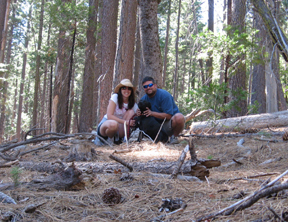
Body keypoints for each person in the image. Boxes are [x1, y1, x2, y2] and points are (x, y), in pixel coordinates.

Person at [137, 76, 185, 142]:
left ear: (155, 85)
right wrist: (139, 113)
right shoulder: (143, 99)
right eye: (145, 86)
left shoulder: (165, 95)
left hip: (168, 124)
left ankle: (174, 137)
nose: (148, 87)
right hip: (155, 125)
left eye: (150, 85)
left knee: (179, 117)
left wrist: (152, 113)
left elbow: (168, 116)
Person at [94, 79, 138, 145]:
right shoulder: (115, 97)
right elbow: (109, 116)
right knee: (113, 124)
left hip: (119, 129)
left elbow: (138, 113)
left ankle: (121, 139)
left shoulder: (133, 104)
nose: (126, 90)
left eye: (129, 88)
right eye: (124, 88)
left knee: (131, 112)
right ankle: (107, 140)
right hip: (107, 124)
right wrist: (126, 122)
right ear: (120, 90)